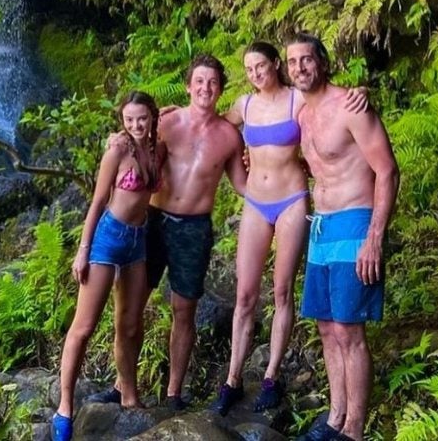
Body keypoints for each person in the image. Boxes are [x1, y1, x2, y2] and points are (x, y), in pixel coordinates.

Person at [212, 42, 368, 415]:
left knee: (282, 289)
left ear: (276, 65)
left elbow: (330, 103)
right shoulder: (244, 105)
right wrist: (169, 117)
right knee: (245, 294)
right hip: (255, 200)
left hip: (291, 200)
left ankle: (270, 374)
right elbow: (212, 124)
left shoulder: (297, 100)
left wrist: (362, 92)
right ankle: (233, 377)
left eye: (262, 66)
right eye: (249, 69)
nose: (256, 74)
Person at [87, 54, 247, 410]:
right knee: (131, 306)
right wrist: (117, 141)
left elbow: (243, 184)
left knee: (184, 309)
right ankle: (122, 385)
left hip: (194, 228)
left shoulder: (229, 137)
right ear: (189, 85)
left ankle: (174, 392)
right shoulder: (167, 122)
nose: (205, 88)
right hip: (152, 221)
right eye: (199, 81)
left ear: (221, 88)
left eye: (213, 82)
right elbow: (133, 139)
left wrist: (279, 175)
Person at [287, 33, 399, 441]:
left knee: (349, 331)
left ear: (323, 62)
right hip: (321, 227)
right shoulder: (300, 114)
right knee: (326, 327)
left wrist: (374, 237)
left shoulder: (352, 106)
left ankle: (353, 429)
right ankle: (335, 417)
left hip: (355, 222)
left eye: (306, 59)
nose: (299, 67)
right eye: (293, 61)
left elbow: (387, 170)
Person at [52, 91, 162, 441]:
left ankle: (129, 395)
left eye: (142, 118)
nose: (136, 125)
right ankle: (65, 407)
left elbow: (179, 116)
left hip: (138, 240)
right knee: (83, 328)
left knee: (130, 325)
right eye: (129, 120)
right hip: (108, 238)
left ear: (152, 117)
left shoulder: (157, 148)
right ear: (122, 122)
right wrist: (83, 250)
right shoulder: (117, 150)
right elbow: (98, 200)